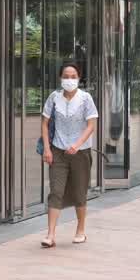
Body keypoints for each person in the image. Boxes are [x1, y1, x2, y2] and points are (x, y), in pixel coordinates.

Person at [40, 63, 98, 248]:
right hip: (58, 151)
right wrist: (47, 149)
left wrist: (77, 144)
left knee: (79, 191)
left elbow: (91, 126)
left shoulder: (86, 98)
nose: (69, 79)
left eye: (73, 76)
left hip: (80, 153)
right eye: (66, 76)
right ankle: (50, 234)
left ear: (79, 78)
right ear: (60, 78)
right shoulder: (54, 98)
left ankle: (80, 230)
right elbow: (44, 123)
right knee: (56, 191)